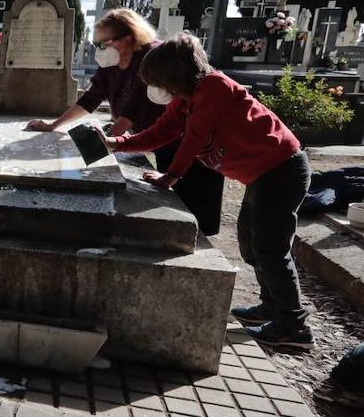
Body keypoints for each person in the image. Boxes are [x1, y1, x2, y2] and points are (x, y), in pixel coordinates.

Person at [98, 33, 313, 350]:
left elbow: (195, 137)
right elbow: (163, 132)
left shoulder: (215, 87)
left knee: (270, 248)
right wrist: (117, 143)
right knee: (251, 245)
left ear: (174, 75)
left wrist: (170, 176)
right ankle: (271, 306)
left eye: (159, 81)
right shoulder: (185, 100)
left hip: (282, 170)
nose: (158, 89)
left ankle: (293, 327)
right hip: (261, 176)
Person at [26, 8, 225, 235]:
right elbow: (90, 99)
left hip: (194, 143)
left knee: (195, 205)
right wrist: (55, 125)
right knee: (173, 195)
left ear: (128, 37)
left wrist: (98, 151)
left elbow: (132, 114)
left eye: (105, 42)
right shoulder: (111, 65)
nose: (101, 49)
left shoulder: (153, 61)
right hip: (163, 137)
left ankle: (196, 243)